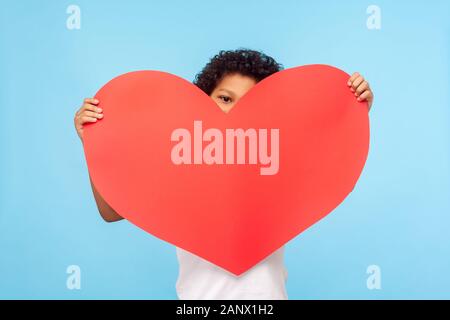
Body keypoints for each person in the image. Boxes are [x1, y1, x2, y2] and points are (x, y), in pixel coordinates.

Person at [74, 49, 374, 299]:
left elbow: (327, 155)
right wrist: (94, 142)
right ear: (203, 102)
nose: (236, 111)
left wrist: (353, 110)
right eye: (226, 98)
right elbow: (111, 211)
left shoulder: (276, 166)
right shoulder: (181, 167)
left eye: (251, 101)